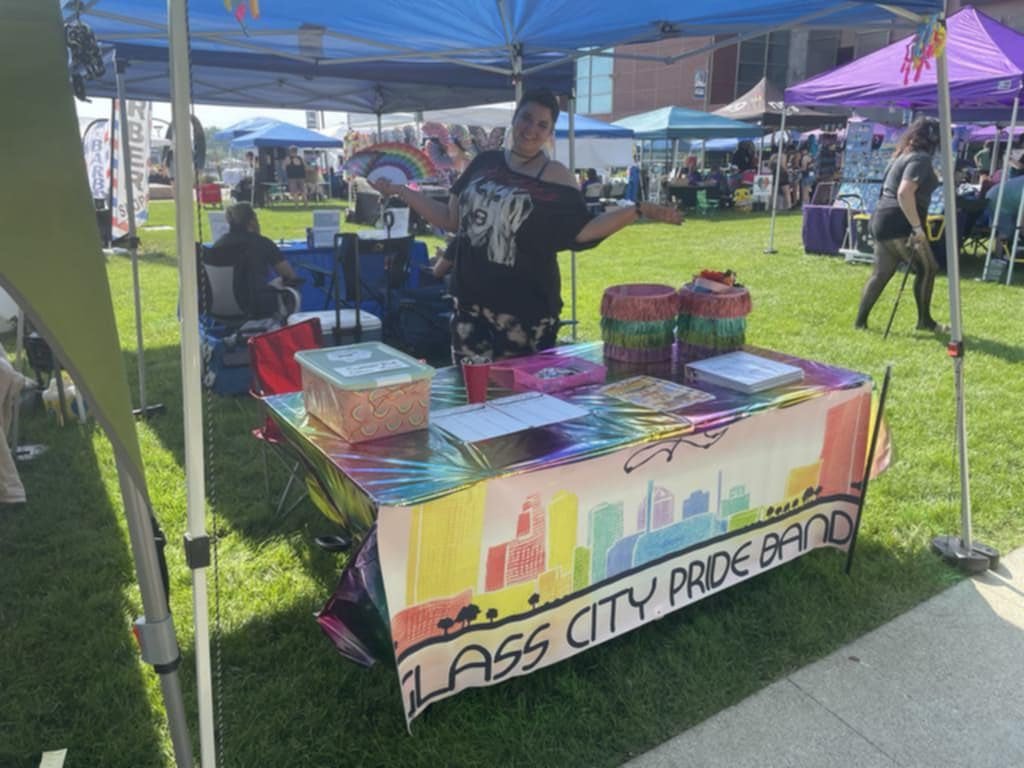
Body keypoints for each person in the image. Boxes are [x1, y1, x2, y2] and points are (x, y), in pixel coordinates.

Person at [370, 88, 682, 363]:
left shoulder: (556, 176)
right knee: (471, 397)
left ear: (550, 132)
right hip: (470, 305)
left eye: (542, 124)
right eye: (526, 118)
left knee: (522, 404)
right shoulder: (484, 163)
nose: (531, 129)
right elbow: (450, 220)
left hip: (525, 312)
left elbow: (583, 231)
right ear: (515, 118)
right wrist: (402, 192)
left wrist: (637, 210)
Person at [855, 117, 947, 334]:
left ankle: (860, 322)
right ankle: (925, 321)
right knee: (928, 268)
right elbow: (904, 193)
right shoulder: (920, 159)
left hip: (882, 219)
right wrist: (917, 228)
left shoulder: (900, 156)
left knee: (881, 273)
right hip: (900, 222)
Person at [206, 202, 301, 320]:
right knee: (287, 287)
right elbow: (289, 276)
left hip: (220, 307)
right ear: (252, 222)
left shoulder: (219, 244)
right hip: (255, 305)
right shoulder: (262, 243)